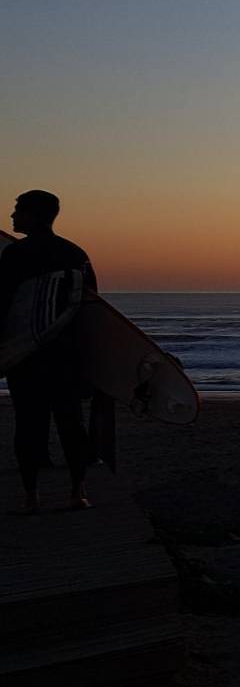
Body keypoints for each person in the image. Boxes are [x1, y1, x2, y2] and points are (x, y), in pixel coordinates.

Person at [1, 190, 98, 513]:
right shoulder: (76, 253)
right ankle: (78, 492)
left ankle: (32, 496)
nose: (12, 217)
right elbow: (91, 309)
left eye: (18, 211)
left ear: (36, 215)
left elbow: (4, 306)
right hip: (67, 355)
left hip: (27, 356)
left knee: (29, 425)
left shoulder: (15, 256)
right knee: (71, 424)